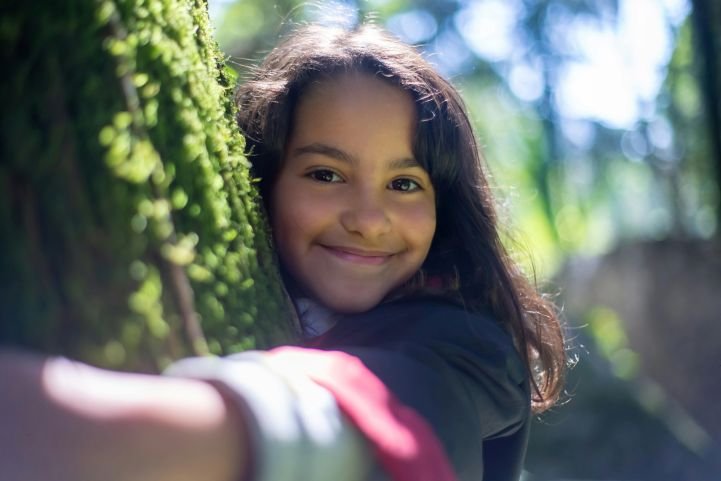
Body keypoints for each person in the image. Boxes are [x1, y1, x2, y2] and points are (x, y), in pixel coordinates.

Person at [0, 23, 565, 481]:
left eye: (404, 184)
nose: (368, 221)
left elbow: (394, 407)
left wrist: (73, 427)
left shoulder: (475, 350)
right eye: (325, 173)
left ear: (444, 208)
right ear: (263, 182)